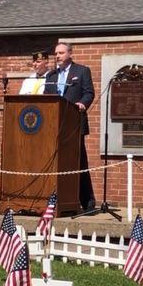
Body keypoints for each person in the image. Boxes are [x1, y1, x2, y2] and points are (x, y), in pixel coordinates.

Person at [44, 42, 96, 211]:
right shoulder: (51, 75)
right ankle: (55, 200)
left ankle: (87, 202)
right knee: (54, 162)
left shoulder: (81, 71)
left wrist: (82, 103)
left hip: (74, 124)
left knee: (78, 162)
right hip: (54, 126)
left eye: (61, 53)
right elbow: (47, 98)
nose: (57, 56)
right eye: (56, 53)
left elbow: (89, 92)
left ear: (70, 53)